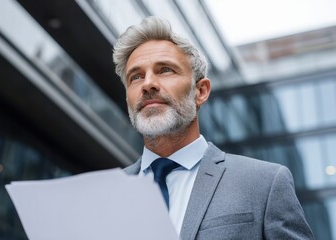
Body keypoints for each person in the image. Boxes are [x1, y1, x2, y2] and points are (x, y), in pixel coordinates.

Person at [113, 16, 314, 240]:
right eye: (136, 77)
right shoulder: (104, 198)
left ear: (201, 91)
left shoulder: (264, 183)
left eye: (165, 70)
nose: (148, 84)